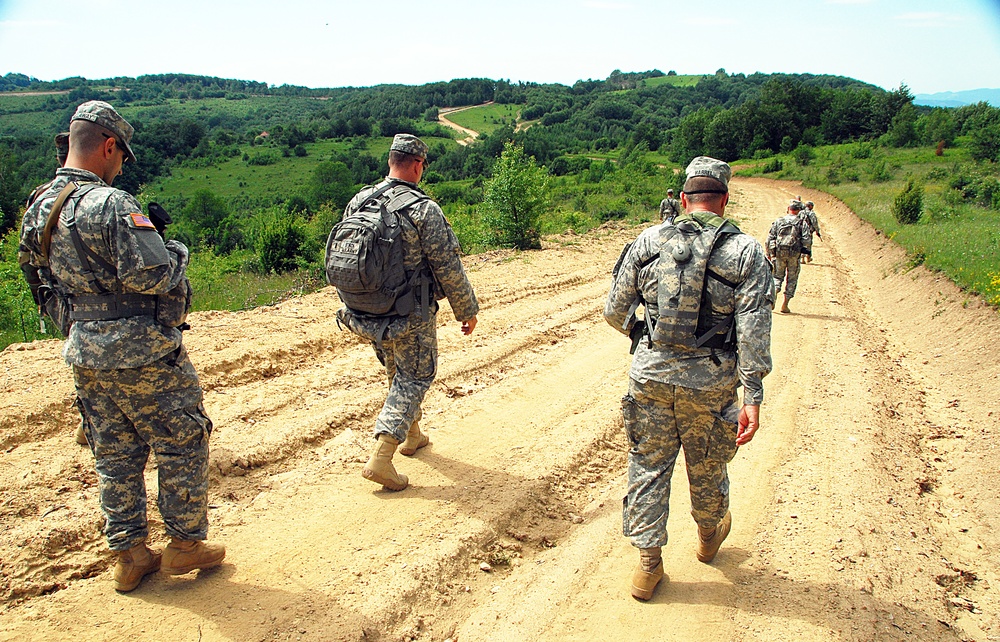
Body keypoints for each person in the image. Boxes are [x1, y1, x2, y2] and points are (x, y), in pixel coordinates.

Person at [18, 101, 224, 593]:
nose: (120, 165)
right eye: (121, 156)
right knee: (181, 441)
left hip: (84, 351)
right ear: (108, 146)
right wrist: (175, 250)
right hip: (144, 351)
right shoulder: (113, 204)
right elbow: (151, 273)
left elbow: (37, 277)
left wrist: (75, 323)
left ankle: (130, 554)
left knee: (113, 452)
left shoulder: (40, 204)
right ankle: (185, 544)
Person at [604, 156, 773, 601]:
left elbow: (614, 312)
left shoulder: (648, 241)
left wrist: (648, 338)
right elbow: (754, 330)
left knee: (647, 465)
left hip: (650, 379)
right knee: (708, 464)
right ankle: (707, 536)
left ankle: (647, 566)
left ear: (683, 199)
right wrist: (753, 394)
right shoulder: (746, 252)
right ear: (724, 200)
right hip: (711, 384)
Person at [338, 133, 479, 492]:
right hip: (409, 313)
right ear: (417, 165)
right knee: (416, 375)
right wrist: (466, 309)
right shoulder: (422, 209)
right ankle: (381, 457)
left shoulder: (360, 200)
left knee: (396, 370)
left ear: (391, 161)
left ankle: (412, 436)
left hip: (364, 310)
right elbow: (447, 265)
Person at [20, 132, 91, 447]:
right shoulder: (93, 196)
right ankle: (93, 420)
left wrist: (44, 295)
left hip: (57, 295)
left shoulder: (41, 197)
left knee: (82, 353)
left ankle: (88, 417)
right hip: (92, 297)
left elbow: (27, 257)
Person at [766, 201, 809, 313]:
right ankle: (785, 305)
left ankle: (774, 294)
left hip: (779, 253)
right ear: (799, 211)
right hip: (794, 255)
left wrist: (769, 253)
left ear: (788, 209)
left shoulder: (779, 221)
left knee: (777, 276)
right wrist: (805, 252)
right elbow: (807, 239)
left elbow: (769, 238)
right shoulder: (801, 223)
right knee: (792, 279)